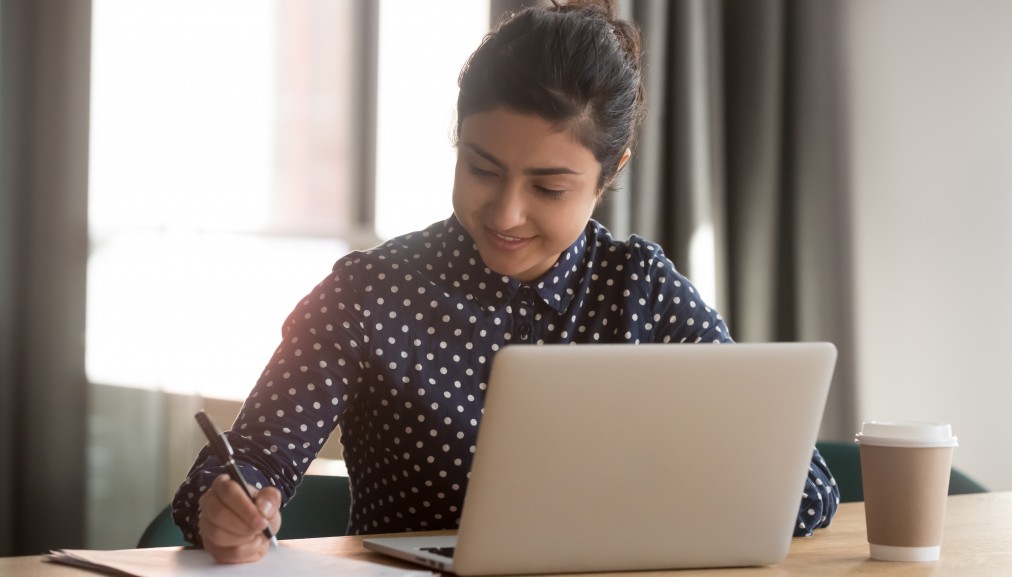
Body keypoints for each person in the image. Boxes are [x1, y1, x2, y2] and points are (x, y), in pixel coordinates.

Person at [172, 0, 839, 563]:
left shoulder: (641, 288)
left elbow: (807, 489)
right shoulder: (368, 292)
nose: (506, 213)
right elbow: (248, 459)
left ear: (610, 174)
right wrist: (231, 503)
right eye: (482, 169)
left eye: (549, 186)